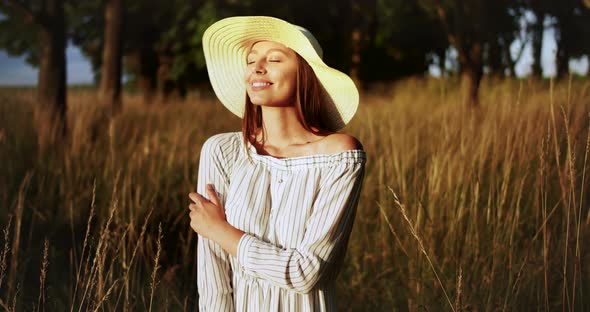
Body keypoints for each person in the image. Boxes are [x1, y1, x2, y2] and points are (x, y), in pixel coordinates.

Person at [188, 16, 366, 312]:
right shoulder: (221, 151)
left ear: (305, 73)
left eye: (274, 59)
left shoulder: (340, 155)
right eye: (250, 60)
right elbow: (214, 275)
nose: (257, 67)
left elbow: (306, 272)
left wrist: (219, 229)